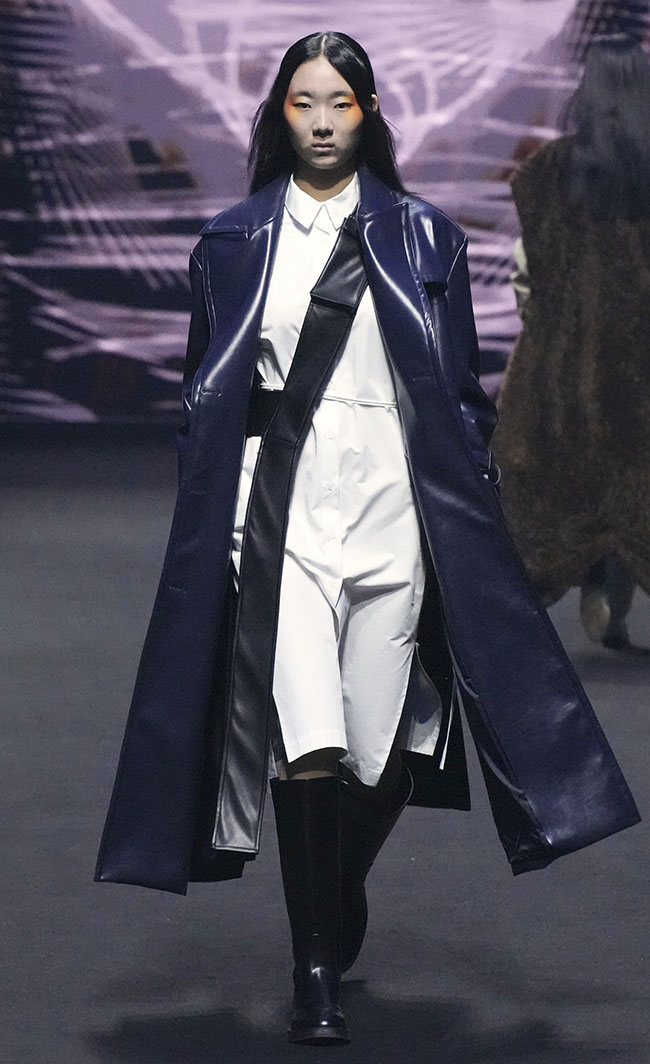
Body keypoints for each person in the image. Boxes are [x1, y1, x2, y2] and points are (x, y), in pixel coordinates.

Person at [95, 32, 640, 1046]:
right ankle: (315, 972)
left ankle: (333, 886)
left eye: (338, 102)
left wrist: (466, 517)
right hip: (282, 510)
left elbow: (457, 395)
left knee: (381, 752)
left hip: (395, 508)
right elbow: (204, 396)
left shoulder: (429, 239)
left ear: (370, 111)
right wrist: (222, 512)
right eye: (302, 101)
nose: (319, 120)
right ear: (278, 113)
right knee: (306, 736)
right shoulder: (230, 241)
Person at [493, 35, 650, 650]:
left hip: (562, 374)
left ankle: (589, 582)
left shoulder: (545, 174)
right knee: (635, 487)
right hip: (641, 374)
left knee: (562, 499)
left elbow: (526, 275)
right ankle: (614, 581)